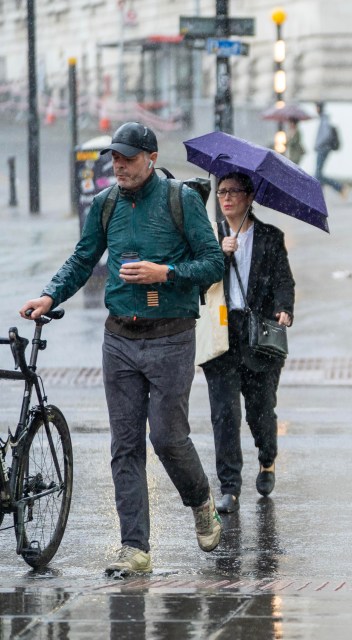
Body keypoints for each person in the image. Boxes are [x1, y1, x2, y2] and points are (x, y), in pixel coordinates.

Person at [19, 122, 225, 574]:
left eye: (128, 158)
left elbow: (213, 263)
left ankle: (201, 500)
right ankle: (135, 548)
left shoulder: (181, 200)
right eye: (115, 157)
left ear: (151, 158)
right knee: (125, 445)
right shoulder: (105, 204)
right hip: (120, 339)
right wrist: (50, 295)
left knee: (167, 438)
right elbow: (82, 257)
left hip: (171, 336)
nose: (119, 165)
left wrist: (165, 273)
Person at [200, 172, 295, 514]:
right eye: (221, 192)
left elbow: (284, 280)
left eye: (233, 192)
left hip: (259, 334)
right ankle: (230, 487)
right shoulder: (209, 236)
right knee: (224, 414)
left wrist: (284, 309)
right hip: (222, 333)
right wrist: (219, 255)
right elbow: (196, 278)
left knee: (260, 410)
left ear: (249, 196)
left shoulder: (270, 236)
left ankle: (267, 458)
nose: (225, 198)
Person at [313, 101, 346, 198]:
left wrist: (318, 145)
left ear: (319, 108)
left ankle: (339, 187)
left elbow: (326, 135)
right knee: (318, 174)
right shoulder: (323, 118)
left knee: (318, 174)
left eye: (316, 107)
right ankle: (319, 195)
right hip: (323, 148)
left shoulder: (324, 119)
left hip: (323, 149)